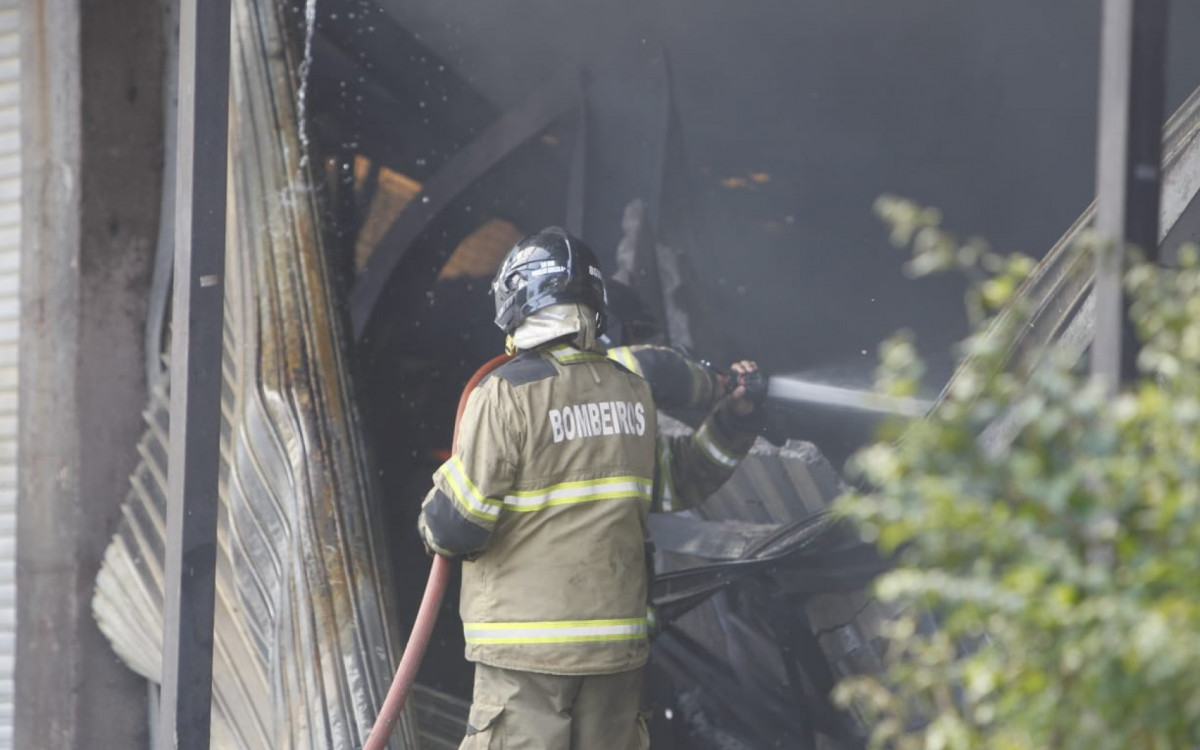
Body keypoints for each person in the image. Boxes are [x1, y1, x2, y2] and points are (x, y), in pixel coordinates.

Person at [417, 227, 762, 749]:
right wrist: (735, 420)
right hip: (615, 651)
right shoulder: (631, 392)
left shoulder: (506, 394)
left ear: (516, 299)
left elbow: (457, 527)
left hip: (528, 654)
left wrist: (433, 503)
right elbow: (679, 479)